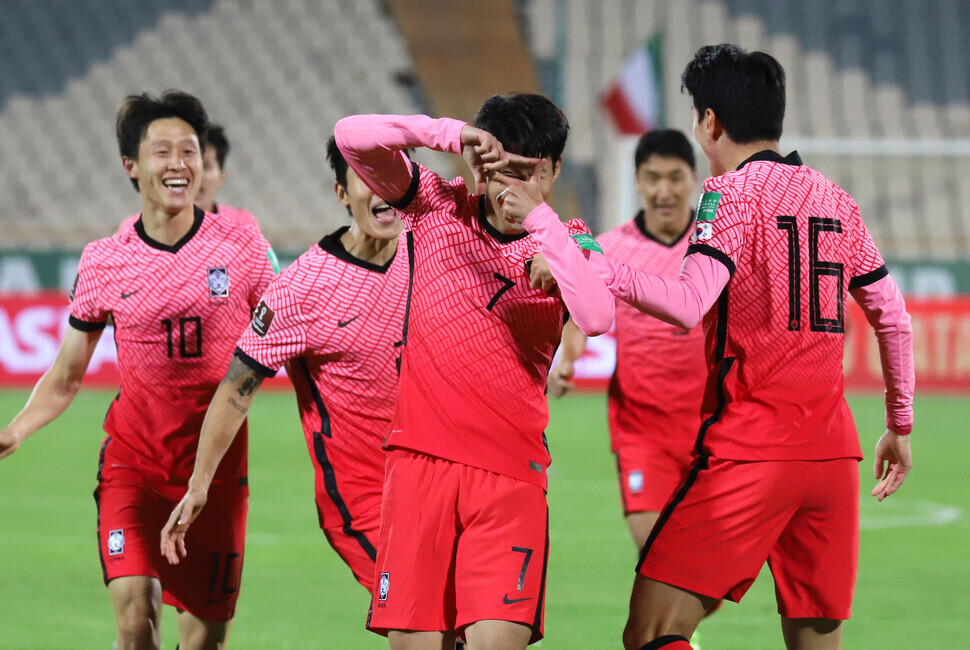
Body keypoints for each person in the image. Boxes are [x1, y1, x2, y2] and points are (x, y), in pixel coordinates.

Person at [517, 45, 915, 650]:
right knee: (816, 641)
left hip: (752, 448)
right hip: (834, 458)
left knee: (652, 630)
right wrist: (899, 424)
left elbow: (685, 304)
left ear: (710, 122)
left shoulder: (729, 195)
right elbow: (893, 316)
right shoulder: (836, 200)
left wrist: (594, 262)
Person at [334, 93, 616, 649]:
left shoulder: (572, 239)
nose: (509, 186)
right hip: (419, 466)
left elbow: (599, 314)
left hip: (510, 480)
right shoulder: (436, 203)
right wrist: (445, 134)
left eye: (527, 172)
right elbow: (351, 134)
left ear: (554, 169)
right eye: (499, 169)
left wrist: (544, 226)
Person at [0, 90, 277, 650]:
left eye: (189, 151)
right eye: (162, 151)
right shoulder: (105, 259)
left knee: (202, 642)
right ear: (131, 165)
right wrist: (15, 429)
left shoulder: (243, 245)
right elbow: (68, 374)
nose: (179, 163)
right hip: (134, 466)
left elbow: (291, 334)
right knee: (134, 625)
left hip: (217, 474)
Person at [160, 137, 409, 595]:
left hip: (437, 485)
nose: (383, 191)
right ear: (341, 194)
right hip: (364, 498)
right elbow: (236, 388)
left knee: (470, 629)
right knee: (425, 620)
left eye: (392, 177)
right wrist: (199, 485)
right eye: (367, 180)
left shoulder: (431, 255)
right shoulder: (302, 289)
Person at [549, 129, 707, 551]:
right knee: (660, 560)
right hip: (641, 430)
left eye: (675, 177)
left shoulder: (714, 246)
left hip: (712, 429)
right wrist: (568, 358)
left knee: (702, 582)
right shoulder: (609, 248)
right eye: (653, 177)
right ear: (637, 180)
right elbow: (581, 318)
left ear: (694, 178)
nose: (664, 190)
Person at [118, 123, 259, 232]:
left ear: (221, 176)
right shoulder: (131, 229)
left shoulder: (243, 224)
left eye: (205, 166)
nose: (194, 175)